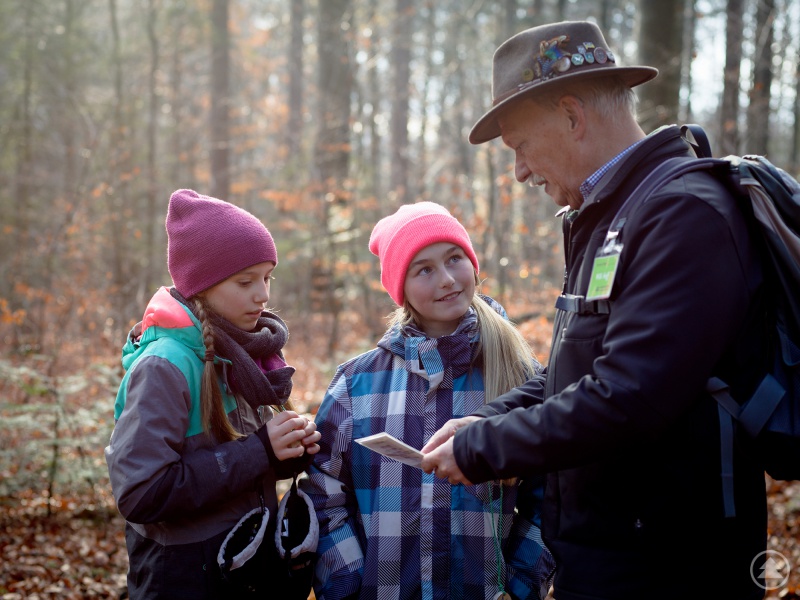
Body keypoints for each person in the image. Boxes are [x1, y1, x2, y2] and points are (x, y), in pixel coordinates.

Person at [421, 20, 769, 600]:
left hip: (671, 567)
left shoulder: (682, 214)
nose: (521, 172)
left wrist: (484, 449)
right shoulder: (610, 216)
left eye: (520, 147)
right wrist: (490, 418)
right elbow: (578, 370)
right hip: (607, 554)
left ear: (572, 116)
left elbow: (629, 396)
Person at [300, 201, 555, 600]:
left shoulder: (521, 377)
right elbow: (323, 491)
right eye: (424, 269)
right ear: (401, 289)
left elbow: (552, 496)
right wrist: (349, 583)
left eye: (455, 259)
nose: (447, 280)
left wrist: (521, 584)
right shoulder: (357, 386)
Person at [105, 189, 321, 599]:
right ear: (203, 286)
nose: (263, 294)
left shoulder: (241, 354)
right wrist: (259, 450)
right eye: (246, 281)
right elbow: (142, 494)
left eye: (267, 277)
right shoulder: (165, 366)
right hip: (184, 578)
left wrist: (287, 451)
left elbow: (234, 474)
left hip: (244, 571)